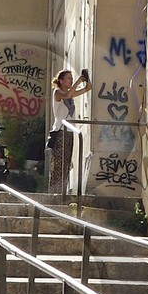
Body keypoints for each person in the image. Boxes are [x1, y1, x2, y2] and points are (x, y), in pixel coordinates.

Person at [47, 66, 89, 197]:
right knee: (58, 163)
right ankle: (54, 192)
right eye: (68, 78)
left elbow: (87, 89)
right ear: (61, 80)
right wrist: (78, 81)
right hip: (60, 131)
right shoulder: (57, 92)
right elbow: (67, 95)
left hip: (69, 132)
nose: (71, 81)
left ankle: (62, 192)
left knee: (66, 163)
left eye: (72, 78)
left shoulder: (70, 95)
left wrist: (86, 79)